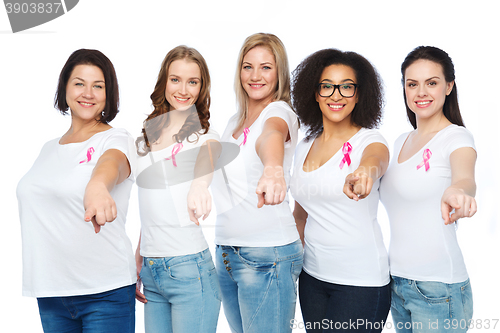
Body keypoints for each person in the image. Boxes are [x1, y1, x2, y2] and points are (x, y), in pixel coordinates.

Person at [16, 49, 136, 332]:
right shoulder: (48, 148)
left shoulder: (117, 138)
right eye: (79, 83)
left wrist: (97, 185)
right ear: (65, 87)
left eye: (98, 86)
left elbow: (112, 164)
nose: (88, 93)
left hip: (105, 292)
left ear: (109, 94)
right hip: (51, 292)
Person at [290, 49, 391, 332]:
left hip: (360, 282)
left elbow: (376, 159)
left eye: (346, 87)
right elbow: (300, 215)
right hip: (312, 278)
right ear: (315, 92)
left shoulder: (369, 140)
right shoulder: (304, 145)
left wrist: (364, 172)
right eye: (327, 86)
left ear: (359, 95)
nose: (336, 95)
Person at [380, 46, 477, 333]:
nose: (421, 92)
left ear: (449, 86)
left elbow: (465, 177)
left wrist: (459, 191)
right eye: (412, 84)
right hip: (397, 283)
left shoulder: (456, 137)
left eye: (431, 83)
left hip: (438, 289)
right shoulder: (399, 141)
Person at [210, 33, 303, 333]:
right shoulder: (233, 123)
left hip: (266, 256)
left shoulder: (280, 113)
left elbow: (270, 137)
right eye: (248, 66)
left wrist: (274, 168)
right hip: (226, 252)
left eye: (266, 67)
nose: (255, 75)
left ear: (279, 73)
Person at [134, 45, 221, 333]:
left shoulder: (204, 134)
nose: (183, 89)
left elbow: (209, 156)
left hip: (188, 269)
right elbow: (153, 203)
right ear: (164, 82)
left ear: (202, 87)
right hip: (151, 268)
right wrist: (140, 253)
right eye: (175, 80)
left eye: (192, 82)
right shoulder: (148, 135)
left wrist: (199, 185)